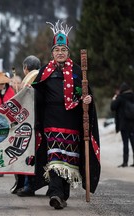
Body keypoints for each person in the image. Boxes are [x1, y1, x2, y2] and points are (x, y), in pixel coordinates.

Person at [31, 20, 100, 209]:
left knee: (69, 160)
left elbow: (86, 95)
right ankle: (55, 193)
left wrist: (87, 100)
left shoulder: (78, 72)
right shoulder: (45, 72)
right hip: (51, 121)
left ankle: (63, 195)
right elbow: (36, 98)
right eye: (57, 50)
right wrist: (37, 122)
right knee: (54, 158)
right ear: (52, 53)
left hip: (72, 122)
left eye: (63, 49)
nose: (60, 53)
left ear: (68, 52)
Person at [13, 55, 43, 197]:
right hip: (44, 121)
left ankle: (28, 185)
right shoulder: (42, 76)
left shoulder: (30, 79)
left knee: (29, 155)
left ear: (25, 68)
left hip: (31, 123)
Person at [110, 82, 134, 167]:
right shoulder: (132, 96)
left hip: (124, 124)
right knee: (133, 142)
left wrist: (114, 99)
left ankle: (125, 162)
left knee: (125, 143)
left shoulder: (120, 97)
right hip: (132, 124)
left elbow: (113, 107)